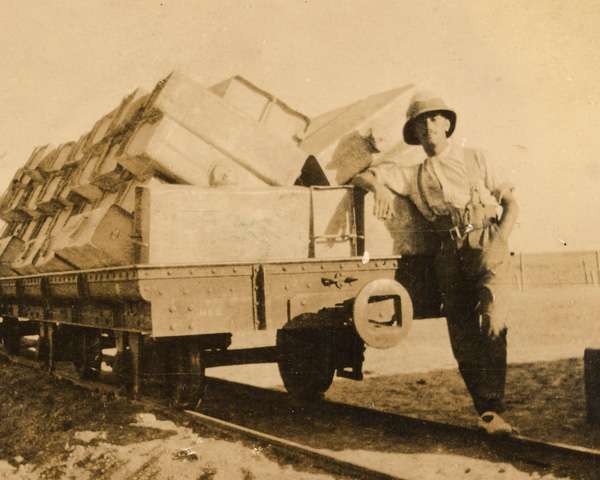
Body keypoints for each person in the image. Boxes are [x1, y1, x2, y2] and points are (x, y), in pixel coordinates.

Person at [351, 91, 519, 435]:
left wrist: (499, 239)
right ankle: (488, 412)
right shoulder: (412, 175)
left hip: (487, 241)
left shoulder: (476, 158)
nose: (427, 126)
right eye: (419, 121)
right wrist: (380, 190)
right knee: (460, 330)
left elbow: (511, 201)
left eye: (433, 118)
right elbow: (360, 174)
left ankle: (494, 402)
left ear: (446, 124)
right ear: (414, 133)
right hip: (447, 252)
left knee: (494, 320)